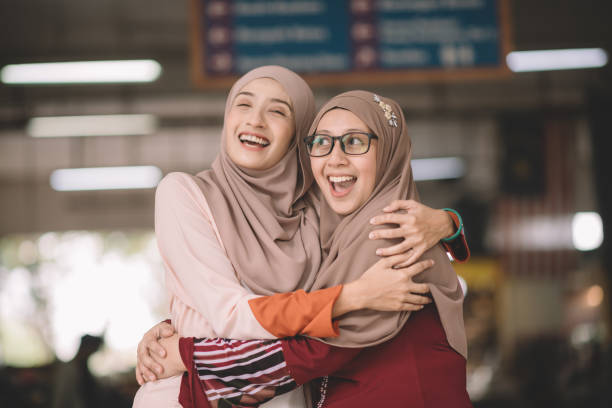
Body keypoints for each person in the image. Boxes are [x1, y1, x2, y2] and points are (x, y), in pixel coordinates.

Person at [133, 67, 468, 407]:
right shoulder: (187, 193)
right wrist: (176, 326)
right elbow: (227, 314)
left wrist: (447, 223)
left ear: (296, 134)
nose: (256, 121)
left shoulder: (333, 216)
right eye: (243, 104)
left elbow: (311, 348)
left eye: (278, 110)